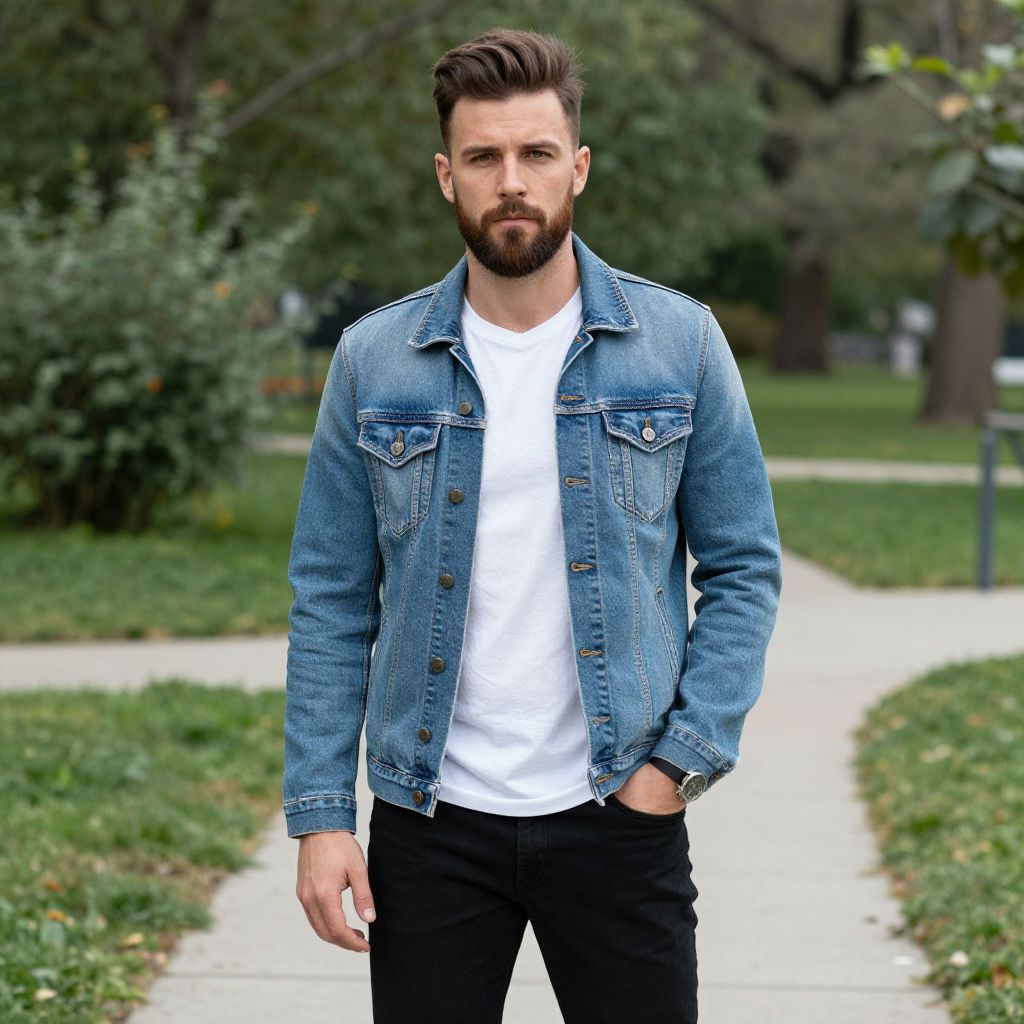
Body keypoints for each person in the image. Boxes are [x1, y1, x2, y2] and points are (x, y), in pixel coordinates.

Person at [283, 26, 783, 1024]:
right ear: (446, 175)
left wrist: (676, 765)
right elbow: (332, 600)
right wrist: (322, 815)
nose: (511, 181)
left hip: (619, 808)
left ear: (577, 167)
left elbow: (744, 571)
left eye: (535, 154)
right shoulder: (373, 361)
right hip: (431, 820)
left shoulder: (677, 343)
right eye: (483, 157)